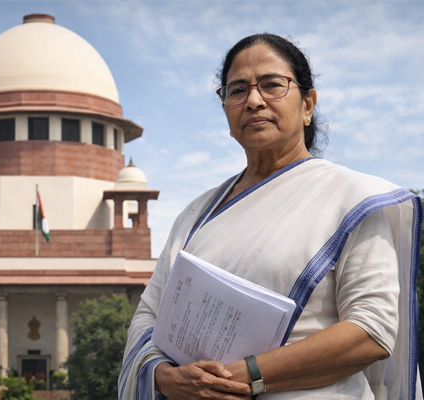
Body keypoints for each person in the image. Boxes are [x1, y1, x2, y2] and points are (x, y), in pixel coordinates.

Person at [118, 33, 423, 400]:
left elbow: (370, 332)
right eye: (237, 90)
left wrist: (243, 377)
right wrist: (165, 376)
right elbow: (147, 317)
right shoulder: (196, 214)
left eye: (272, 85)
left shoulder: (352, 198)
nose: (253, 100)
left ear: (308, 105)